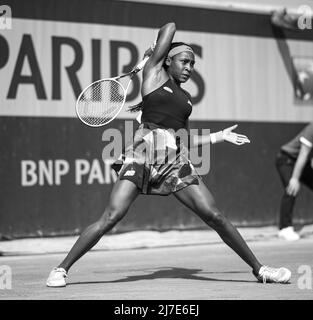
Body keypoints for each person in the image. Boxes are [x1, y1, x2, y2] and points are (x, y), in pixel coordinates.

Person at [46, 22, 291, 287]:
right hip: (141, 154)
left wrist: (219, 136)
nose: (189, 68)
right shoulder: (153, 74)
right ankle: (60, 269)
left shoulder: (186, 99)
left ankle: (260, 269)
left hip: (173, 159)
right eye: (184, 61)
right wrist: (153, 52)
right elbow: (170, 27)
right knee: (112, 216)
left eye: (193, 64)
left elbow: (183, 140)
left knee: (214, 215)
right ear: (167, 61)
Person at [276, 122, 313, 241]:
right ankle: (285, 228)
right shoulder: (312, 128)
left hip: (302, 162)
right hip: (286, 159)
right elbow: (303, 154)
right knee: (291, 188)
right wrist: (295, 178)